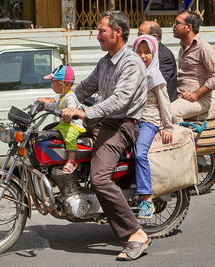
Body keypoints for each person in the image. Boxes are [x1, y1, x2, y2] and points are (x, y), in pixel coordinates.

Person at [61, 11, 151, 261]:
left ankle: (136, 233)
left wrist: (84, 111)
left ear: (117, 33)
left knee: (100, 178)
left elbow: (120, 100)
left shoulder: (131, 62)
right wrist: (58, 102)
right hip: (101, 120)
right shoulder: (105, 62)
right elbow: (82, 88)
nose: (97, 35)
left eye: (101, 30)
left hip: (122, 125)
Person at [132, 34, 173, 219]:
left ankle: (146, 199)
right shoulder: (131, 73)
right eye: (138, 52)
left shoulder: (154, 75)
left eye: (147, 52)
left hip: (148, 120)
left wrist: (168, 127)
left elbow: (164, 102)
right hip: (131, 120)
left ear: (154, 54)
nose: (142, 56)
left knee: (140, 152)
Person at [170, 11, 215, 123]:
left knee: (170, 112)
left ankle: (185, 140)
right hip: (182, 97)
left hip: (200, 100)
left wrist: (196, 94)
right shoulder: (182, 49)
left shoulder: (204, 48)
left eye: (177, 23)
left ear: (188, 27)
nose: (173, 26)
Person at [37, 65, 85, 174]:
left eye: (52, 82)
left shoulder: (70, 97)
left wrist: (69, 111)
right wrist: (43, 106)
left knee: (69, 137)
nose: (52, 85)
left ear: (60, 84)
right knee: (50, 133)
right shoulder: (62, 96)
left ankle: (71, 161)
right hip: (64, 124)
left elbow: (72, 107)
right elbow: (55, 106)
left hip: (73, 125)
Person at [138, 21, 178, 102]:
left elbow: (154, 84)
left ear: (154, 37)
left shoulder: (164, 56)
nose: (138, 38)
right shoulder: (143, 52)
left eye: (141, 35)